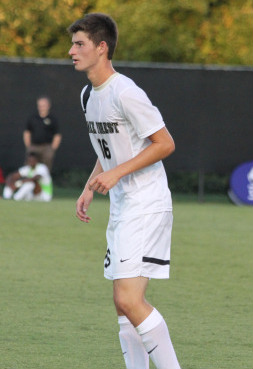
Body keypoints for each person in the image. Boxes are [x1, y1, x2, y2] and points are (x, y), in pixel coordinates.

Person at [68, 13, 181, 369]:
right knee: (122, 304)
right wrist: (89, 187)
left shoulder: (126, 92)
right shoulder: (88, 95)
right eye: (73, 43)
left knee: (129, 300)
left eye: (79, 44)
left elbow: (165, 144)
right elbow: (108, 149)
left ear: (102, 48)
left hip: (146, 203)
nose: (71, 51)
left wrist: (116, 174)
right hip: (123, 206)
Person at [23, 96, 62, 171]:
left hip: (46, 147)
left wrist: (52, 149)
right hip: (34, 146)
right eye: (40, 105)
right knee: (29, 166)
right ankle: (29, 181)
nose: (42, 107)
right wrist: (28, 146)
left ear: (48, 106)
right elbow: (27, 133)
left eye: (44, 105)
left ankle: (43, 182)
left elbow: (57, 135)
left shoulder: (53, 119)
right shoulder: (32, 118)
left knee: (45, 168)